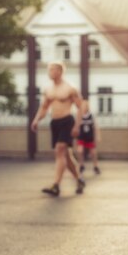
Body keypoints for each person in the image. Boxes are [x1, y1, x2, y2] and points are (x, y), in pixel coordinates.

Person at [30, 62, 85, 196]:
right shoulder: (48, 89)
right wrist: (36, 120)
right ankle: (79, 179)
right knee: (65, 154)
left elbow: (81, 107)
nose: (50, 72)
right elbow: (44, 108)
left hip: (67, 121)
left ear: (60, 72)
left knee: (59, 150)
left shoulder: (70, 88)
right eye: (49, 70)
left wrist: (77, 125)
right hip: (55, 122)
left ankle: (56, 185)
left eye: (53, 70)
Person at [76, 100, 101, 175]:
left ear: (87, 107)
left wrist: (98, 136)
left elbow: (96, 127)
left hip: (89, 137)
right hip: (81, 136)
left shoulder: (91, 115)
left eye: (85, 106)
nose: (84, 107)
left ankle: (95, 166)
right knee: (80, 151)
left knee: (93, 152)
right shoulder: (79, 115)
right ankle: (81, 165)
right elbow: (76, 126)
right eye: (82, 106)